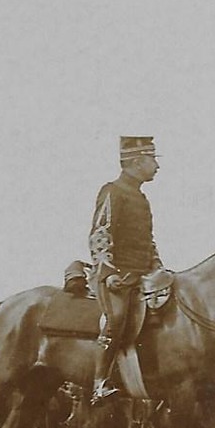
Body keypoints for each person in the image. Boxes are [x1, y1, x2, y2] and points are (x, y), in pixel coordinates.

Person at [89, 136, 161, 402]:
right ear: (135, 162)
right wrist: (108, 274)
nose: (157, 166)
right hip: (116, 277)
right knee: (116, 319)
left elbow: (147, 240)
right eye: (152, 159)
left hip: (141, 276)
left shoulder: (141, 198)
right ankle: (100, 382)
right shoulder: (112, 191)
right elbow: (100, 234)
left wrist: (158, 267)